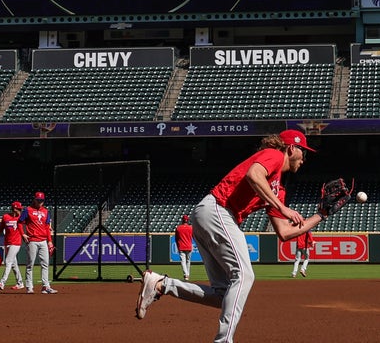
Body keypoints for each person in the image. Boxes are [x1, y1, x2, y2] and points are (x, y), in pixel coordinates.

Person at [134, 129, 336, 343]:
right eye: (303, 152)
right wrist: (283, 208)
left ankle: (161, 284)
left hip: (213, 216)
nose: (304, 159)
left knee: (223, 294)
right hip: (219, 209)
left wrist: (321, 215)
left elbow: (285, 233)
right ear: (292, 148)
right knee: (245, 275)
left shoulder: (278, 189)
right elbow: (253, 175)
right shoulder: (274, 155)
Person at [23, 191, 57, 294]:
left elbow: (47, 227)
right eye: (38, 200)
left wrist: (50, 241)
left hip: (43, 240)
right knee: (30, 264)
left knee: (45, 264)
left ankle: (45, 286)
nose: (40, 202)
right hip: (32, 240)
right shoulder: (28, 210)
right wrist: (23, 234)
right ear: (34, 199)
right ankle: (29, 287)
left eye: (41, 200)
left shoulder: (46, 211)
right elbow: (20, 222)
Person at [0, 201, 26, 290]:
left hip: (16, 243)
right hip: (7, 243)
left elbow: (32, 223)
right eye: (19, 209)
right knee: (14, 265)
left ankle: (2, 282)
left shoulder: (21, 218)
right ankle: (20, 283)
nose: (20, 211)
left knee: (8, 261)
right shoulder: (5, 217)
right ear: (14, 209)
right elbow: (0, 229)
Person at [174, 214, 194, 281]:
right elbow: (193, 237)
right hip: (189, 246)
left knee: (183, 261)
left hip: (181, 247)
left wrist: (178, 246)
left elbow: (176, 239)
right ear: (187, 220)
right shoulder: (191, 228)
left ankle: (186, 275)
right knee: (188, 261)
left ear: (182, 220)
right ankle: (187, 275)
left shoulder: (178, 228)